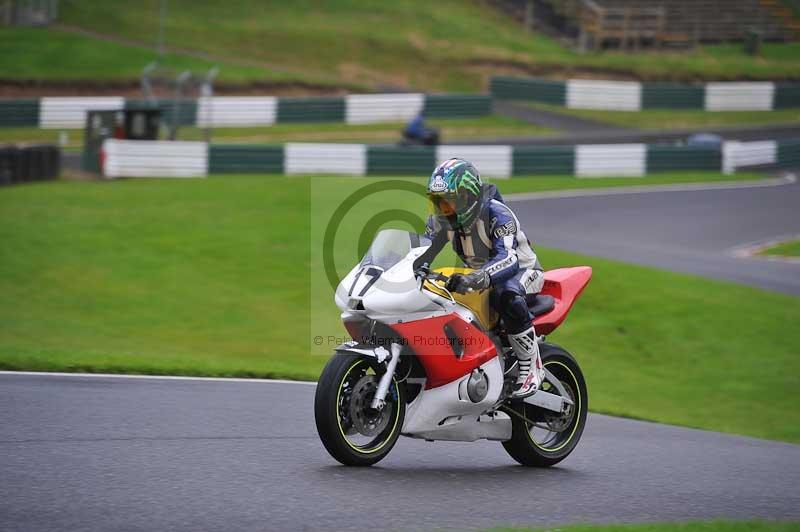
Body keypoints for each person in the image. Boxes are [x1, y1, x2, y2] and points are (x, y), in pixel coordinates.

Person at [421, 158, 545, 398]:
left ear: (467, 196)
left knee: (505, 293)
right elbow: (422, 251)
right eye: (438, 202)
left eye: (449, 201)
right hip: (479, 276)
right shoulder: (442, 221)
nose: (443, 209)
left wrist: (477, 278)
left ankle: (531, 365)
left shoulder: (498, 214)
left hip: (523, 273)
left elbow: (508, 258)